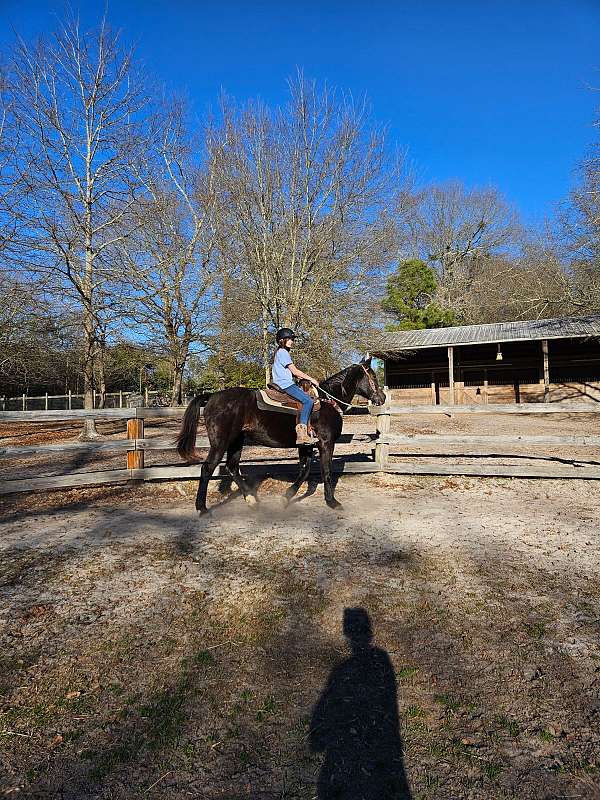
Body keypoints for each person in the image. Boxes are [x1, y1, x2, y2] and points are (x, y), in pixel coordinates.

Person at [272, 328, 319, 445]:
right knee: (308, 401)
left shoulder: (280, 353)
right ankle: (302, 434)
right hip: (286, 385)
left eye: (292, 339)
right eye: (289, 339)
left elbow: (289, 372)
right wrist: (311, 379)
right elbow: (295, 371)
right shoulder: (283, 352)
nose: (291, 341)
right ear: (282, 340)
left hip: (282, 382)